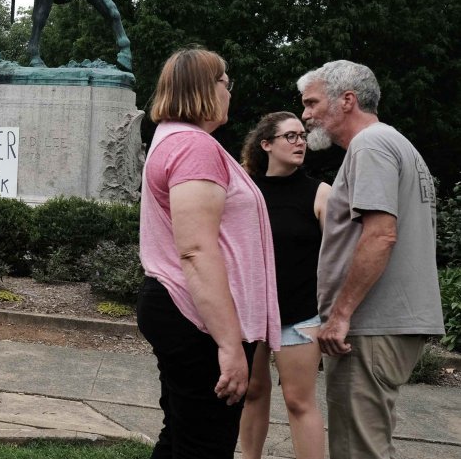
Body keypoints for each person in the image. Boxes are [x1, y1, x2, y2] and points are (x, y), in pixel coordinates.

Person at [138, 48, 281, 458]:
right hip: (198, 321)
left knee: (183, 438)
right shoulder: (193, 147)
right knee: (205, 446)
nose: (230, 91)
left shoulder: (175, 140)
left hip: (186, 314)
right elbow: (197, 250)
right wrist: (229, 345)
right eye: (225, 82)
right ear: (205, 88)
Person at [297, 60, 444, 458]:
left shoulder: (370, 145)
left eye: (311, 103)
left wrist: (341, 315)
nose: (305, 115)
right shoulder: (395, 143)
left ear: (347, 100)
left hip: (370, 326)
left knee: (357, 451)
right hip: (387, 324)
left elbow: (381, 235)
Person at [239, 112, 329, 459]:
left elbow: (339, 257)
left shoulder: (320, 193)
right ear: (266, 144)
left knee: (298, 400)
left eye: (302, 136)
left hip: (301, 313)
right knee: (252, 390)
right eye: (290, 136)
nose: (300, 142)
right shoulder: (247, 191)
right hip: (252, 312)